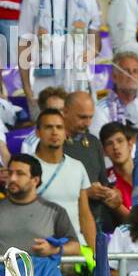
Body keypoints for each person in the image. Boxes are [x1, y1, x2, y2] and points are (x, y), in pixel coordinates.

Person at [16, 0, 102, 103]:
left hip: (77, 76)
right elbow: (23, 47)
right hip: (45, 77)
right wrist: (27, 89)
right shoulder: (32, 2)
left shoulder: (87, 2)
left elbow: (95, 42)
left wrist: (89, 53)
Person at [0, 152, 78, 259]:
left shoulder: (55, 211)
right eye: (10, 173)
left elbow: (75, 247)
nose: (12, 179)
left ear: (35, 180)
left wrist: (53, 250)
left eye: (20, 174)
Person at [31, 107, 97, 250]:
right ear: (38, 132)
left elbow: (85, 215)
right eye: (48, 127)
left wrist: (95, 254)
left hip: (74, 249)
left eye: (59, 127)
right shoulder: (26, 167)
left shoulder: (77, 167)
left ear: (66, 133)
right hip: (41, 249)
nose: (54, 132)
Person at [93, 52, 138, 134]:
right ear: (114, 77)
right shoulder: (101, 110)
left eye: (135, 71)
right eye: (126, 71)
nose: (131, 75)